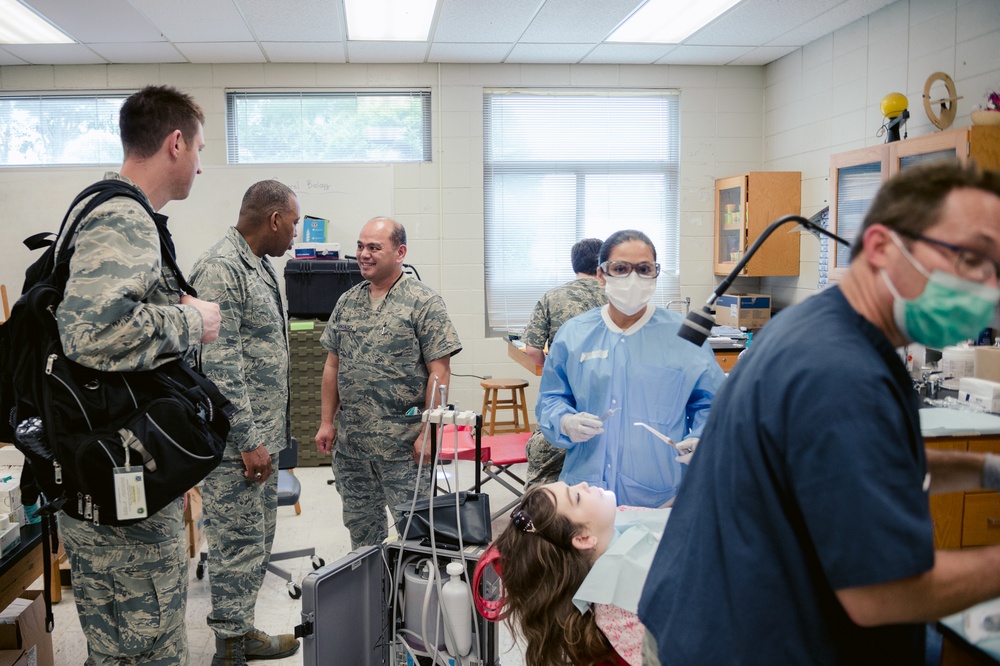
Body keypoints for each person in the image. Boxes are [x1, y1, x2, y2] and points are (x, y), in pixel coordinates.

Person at [638, 160, 1000, 665]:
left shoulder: (827, 328)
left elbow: (864, 468)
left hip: (709, 619)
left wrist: (986, 470)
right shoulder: (840, 374)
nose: (986, 285)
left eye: (996, 268)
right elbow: (880, 594)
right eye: (971, 258)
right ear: (880, 247)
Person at [56, 85, 221, 665]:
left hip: (102, 466)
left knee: (117, 651)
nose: (200, 165)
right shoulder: (125, 217)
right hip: (118, 483)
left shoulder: (99, 206)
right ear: (175, 143)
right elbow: (91, 333)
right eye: (199, 149)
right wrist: (188, 320)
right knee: (146, 651)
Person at [190, 180, 302, 665]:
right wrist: (249, 440)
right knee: (237, 544)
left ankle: (241, 630)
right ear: (275, 219)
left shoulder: (258, 266)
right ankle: (230, 645)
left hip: (262, 438)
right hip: (237, 443)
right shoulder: (222, 268)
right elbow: (220, 364)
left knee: (256, 540)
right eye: (294, 222)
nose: (296, 234)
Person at [535, 229, 725, 508]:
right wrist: (564, 421)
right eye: (620, 268)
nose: (633, 278)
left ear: (655, 274)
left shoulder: (683, 337)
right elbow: (551, 397)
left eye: (644, 269)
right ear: (601, 275)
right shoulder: (574, 334)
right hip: (586, 493)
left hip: (660, 495)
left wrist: (701, 438)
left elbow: (713, 405)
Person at [314, 217, 462, 548]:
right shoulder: (347, 302)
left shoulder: (423, 303)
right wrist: (326, 422)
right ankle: (374, 597)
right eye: (360, 246)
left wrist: (429, 432)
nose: (364, 254)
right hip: (353, 448)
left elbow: (440, 372)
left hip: (404, 449)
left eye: (374, 247)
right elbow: (332, 365)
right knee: (362, 535)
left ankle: (410, 597)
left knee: (417, 533)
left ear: (400, 252)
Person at [490, 481, 669, 666]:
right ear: (583, 539)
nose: (583, 484)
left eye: (572, 485)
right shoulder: (620, 607)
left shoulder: (618, 519)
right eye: (576, 497)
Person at [522, 238, 607, 487]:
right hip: (609, 408)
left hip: (564, 406)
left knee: (543, 474)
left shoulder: (553, 297)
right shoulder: (620, 300)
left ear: (574, 265)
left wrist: (553, 365)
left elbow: (532, 350)